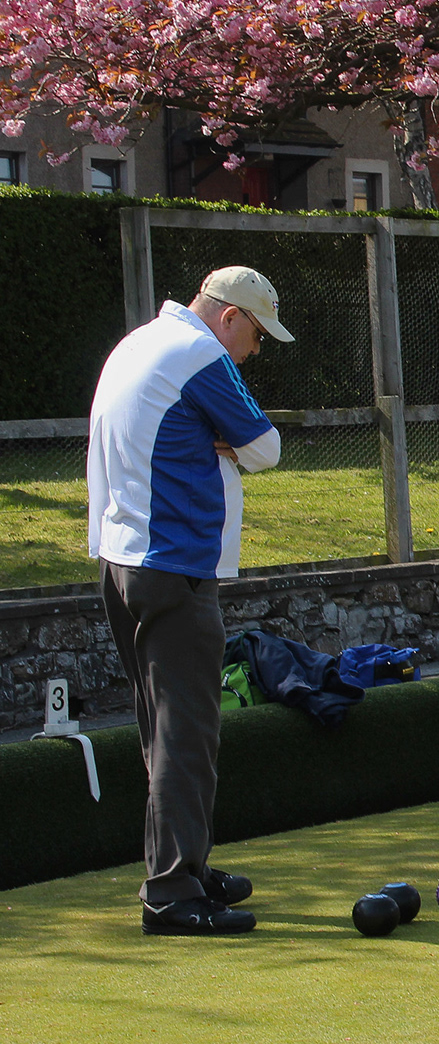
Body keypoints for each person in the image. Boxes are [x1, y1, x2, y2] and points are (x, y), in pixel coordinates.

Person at [88, 266, 290, 935]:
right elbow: (267, 447)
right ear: (230, 317)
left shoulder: (137, 341)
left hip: (121, 562)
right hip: (173, 566)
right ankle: (172, 893)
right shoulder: (200, 352)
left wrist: (208, 438)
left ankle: (186, 866)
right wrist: (223, 440)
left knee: (162, 729)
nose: (254, 351)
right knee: (187, 734)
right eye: (256, 335)